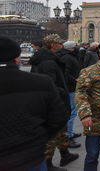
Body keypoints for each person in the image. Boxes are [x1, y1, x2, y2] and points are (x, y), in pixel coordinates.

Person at [0, 36, 68, 171]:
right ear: (17, 58)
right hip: (31, 157)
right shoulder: (42, 82)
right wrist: (39, 138)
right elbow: (58, 118)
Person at [30, 34, 79, 171]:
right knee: (52, 133)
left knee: (60, 129)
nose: (61, 45)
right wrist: (62, 93)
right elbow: (49, 85)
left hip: (54, 101)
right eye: (59, 43)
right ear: (52, 44)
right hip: (53, 103)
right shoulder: (48, 62)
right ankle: (48, 164)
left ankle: (65, 155)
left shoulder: (48, 58)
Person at [58, 40, 82, 148]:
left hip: (71, 87)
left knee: (72, 111)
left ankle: (70, 133)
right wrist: (76, 80)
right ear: (71, 48)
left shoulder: (69, 56)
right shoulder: (67, 58)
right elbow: (66, 74)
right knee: (71, 112)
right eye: (75, 46)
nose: (77, 48)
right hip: (70, 88)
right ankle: (68, 136)